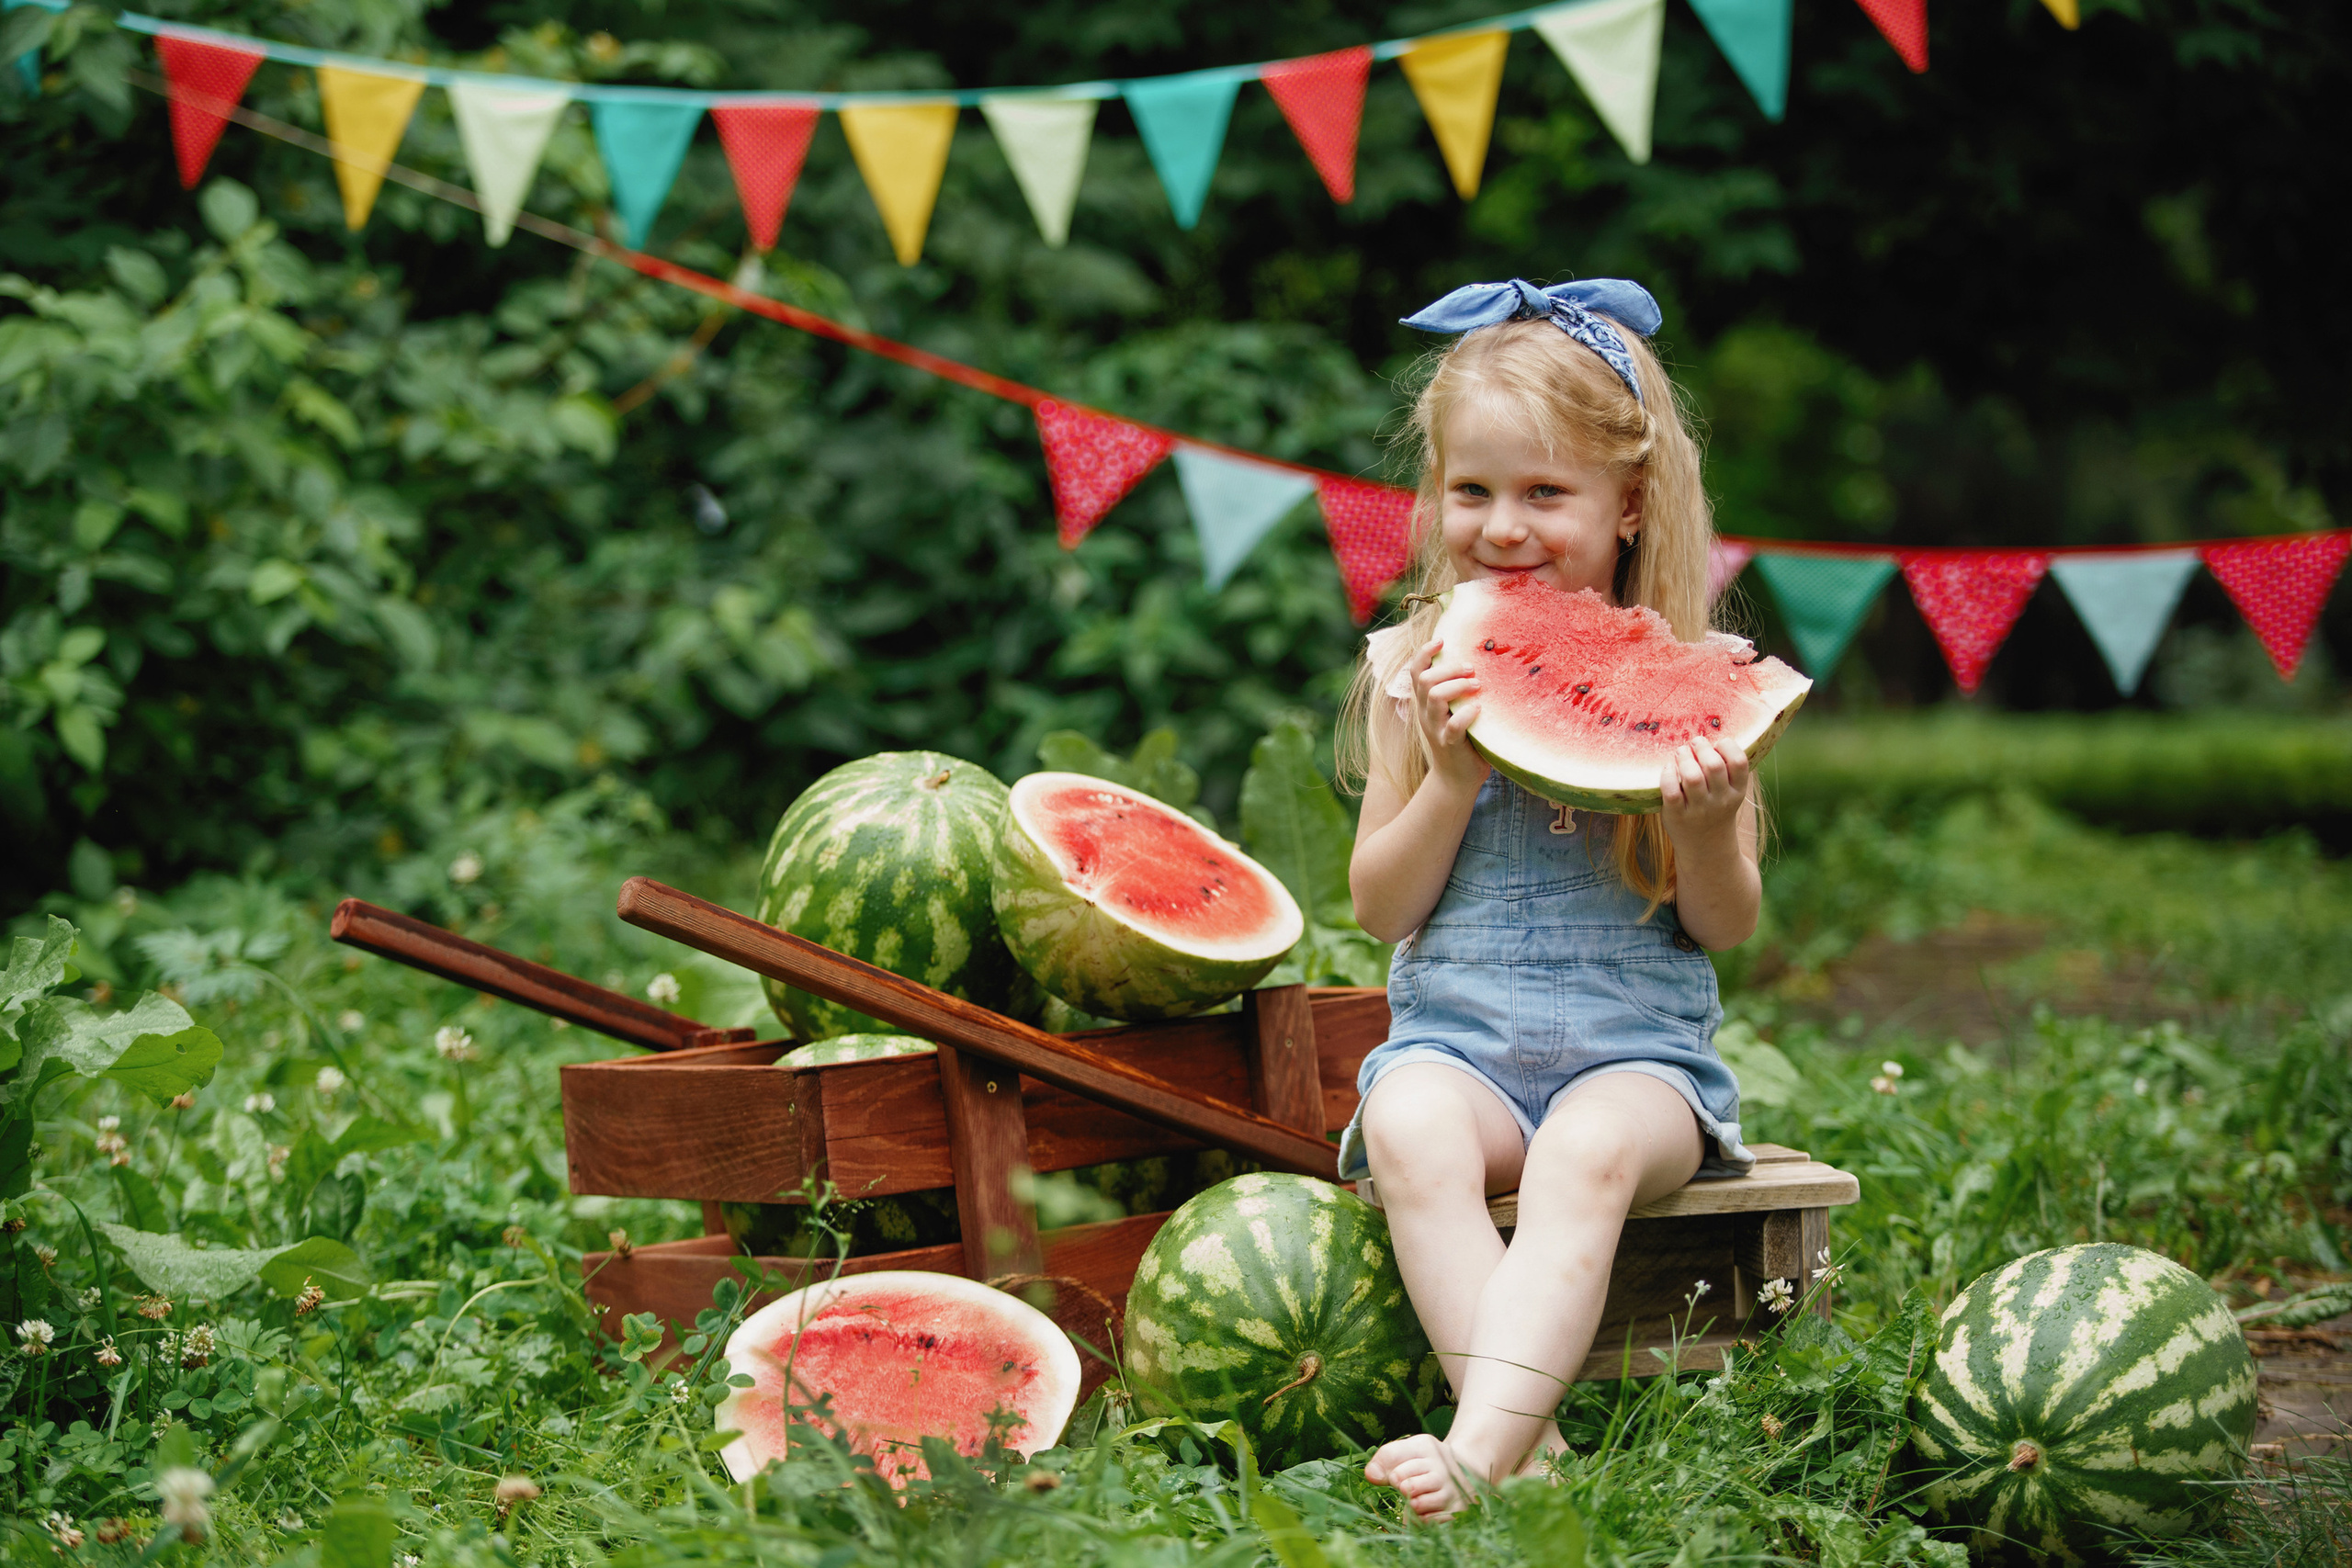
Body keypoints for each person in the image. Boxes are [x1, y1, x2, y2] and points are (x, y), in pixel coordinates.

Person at [1337, 277, 1760, 1521]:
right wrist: (1450, 781)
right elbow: (1378, 904)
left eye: (1545, 495)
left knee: (1583, 1149)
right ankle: (1535, 1454)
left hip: (1639, 1066)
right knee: (1409, 1127)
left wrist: (1706, 828)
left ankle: (1472, 1454)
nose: (1503, 527)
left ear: (1628, 506)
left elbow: (1724, 925)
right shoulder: (1416, 673)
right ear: (1433, 498)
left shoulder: (1691, 681)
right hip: (1461, 1052)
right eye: (1473, 492)